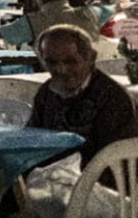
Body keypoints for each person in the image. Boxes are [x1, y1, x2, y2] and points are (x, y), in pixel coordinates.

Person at [30, 23, 138, 164]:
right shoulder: (47, 92)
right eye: (51, 62)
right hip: (53, 174)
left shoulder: (113, 98)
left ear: (91, 58)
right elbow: (32, 137)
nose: (61, 70)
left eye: (70, 62)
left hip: (96, 179)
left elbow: (114, 160)